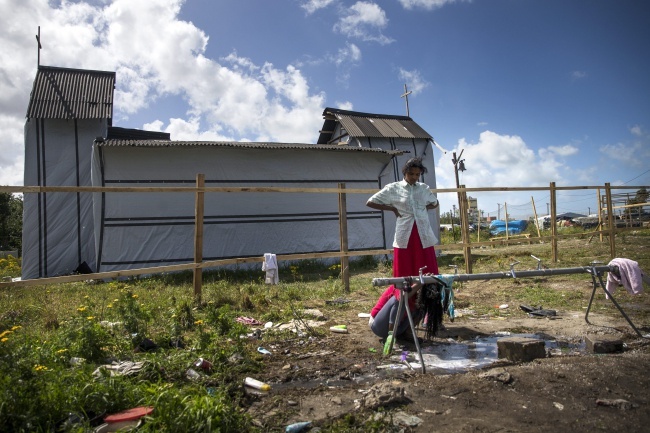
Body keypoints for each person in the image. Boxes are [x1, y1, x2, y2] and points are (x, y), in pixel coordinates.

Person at [366, 156, 440, 341]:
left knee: (430, 278)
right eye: (411, 173)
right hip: (405, 237)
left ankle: (428, 319)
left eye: (417, 174)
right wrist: (392, 209)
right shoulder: (394, 188)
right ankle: (400, 323)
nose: (414, 177)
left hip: (424, 236)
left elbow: (434, 203)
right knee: (405, 280)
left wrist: (424, 208)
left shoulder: (423, 189)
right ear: (404, 173)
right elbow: (371, 201)